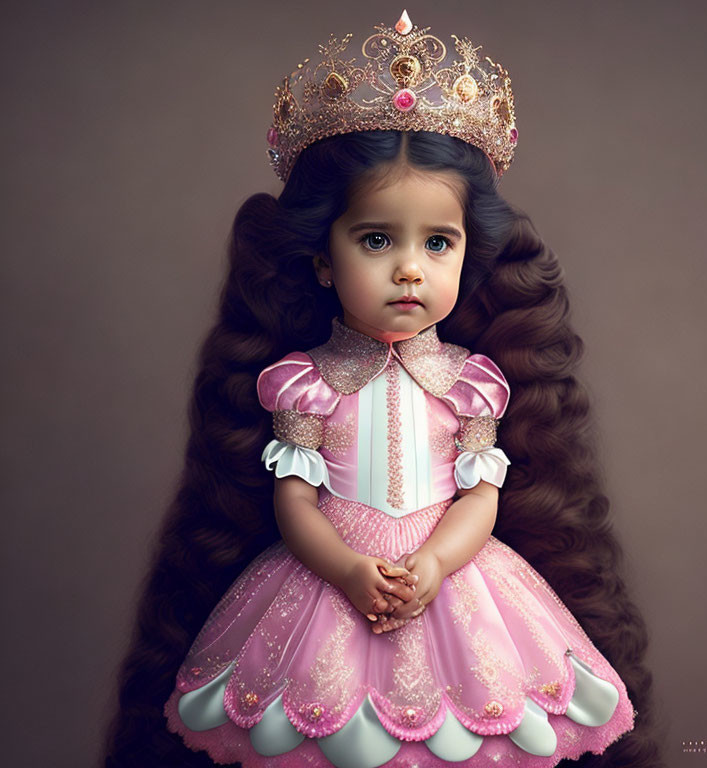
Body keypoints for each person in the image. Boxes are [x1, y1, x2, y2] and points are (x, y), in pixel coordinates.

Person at [103, 10, 661, 768]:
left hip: (457, 583)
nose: (409, 268)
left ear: (468, 254)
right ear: (323, 260)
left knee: (473, 729)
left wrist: (432, 565)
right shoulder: (306, 385)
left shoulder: (470, 385)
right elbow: (296, 499)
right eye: (376, 240)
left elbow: (479, 497)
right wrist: (346, 569)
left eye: (438, 243)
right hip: (330, 582)